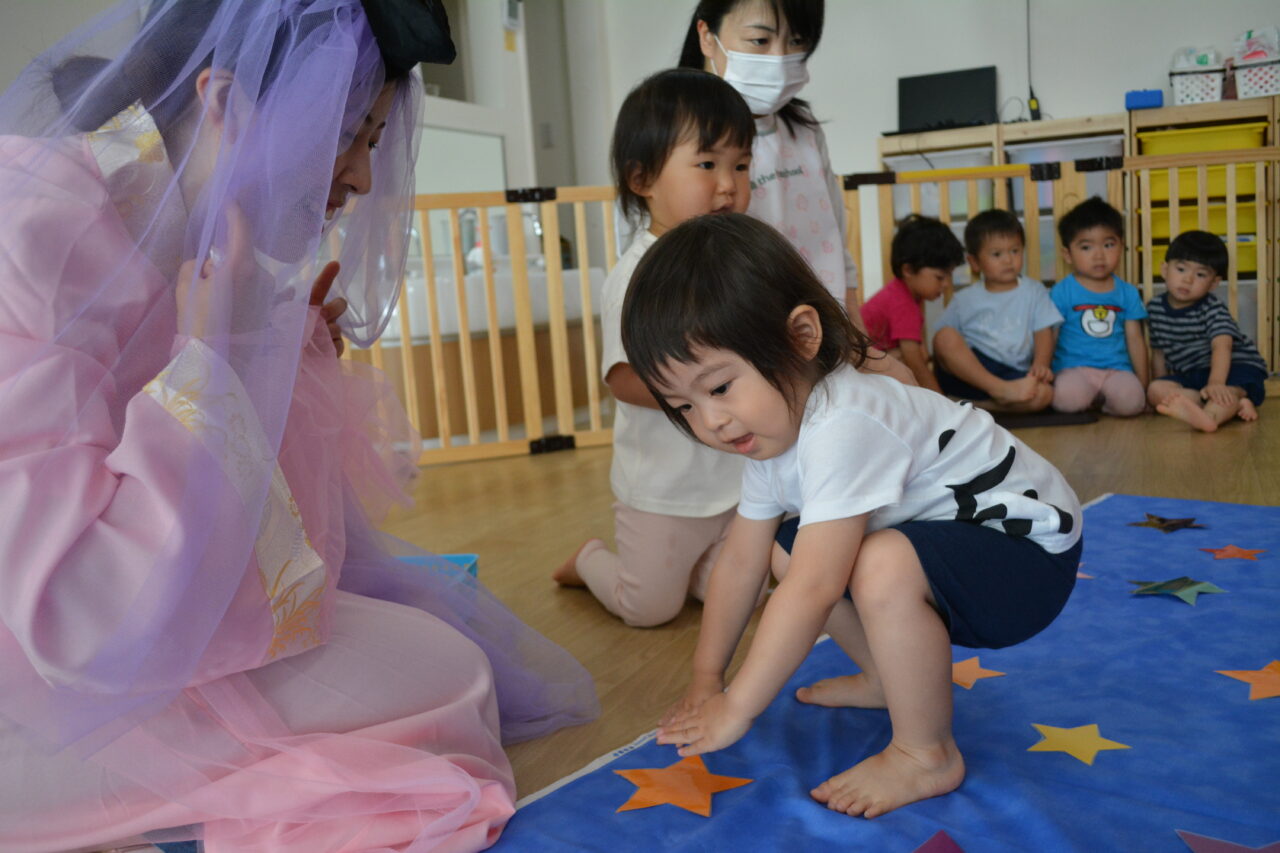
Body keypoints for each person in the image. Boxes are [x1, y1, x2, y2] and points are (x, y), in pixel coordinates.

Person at [0, 2, 596, 851]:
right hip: (49, 676)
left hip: (143, 622)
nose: (361, 177)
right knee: (450, 684)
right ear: (221, 101)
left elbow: (267, 535)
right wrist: (218, 359)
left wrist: (269, 352)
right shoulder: (34, 232)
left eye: (372, 142)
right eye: (349, 136)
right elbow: (81, 614)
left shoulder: (177, 215)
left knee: (452, 667)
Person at [621, 213, 1082, 818]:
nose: (711, 422)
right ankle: (888, 679)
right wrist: (709, 679)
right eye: (683, 406)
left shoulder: (845, 419)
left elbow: (815, 589)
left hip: (1029, 559)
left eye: (721, 387)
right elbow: (740, 562)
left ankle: (926, 753)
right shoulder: (771, 435)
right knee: (786, 546)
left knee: (874, 565)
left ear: (801, 337)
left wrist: (737, 708)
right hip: (971, 543)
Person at [551, 68, 759, 627]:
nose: (728, 184)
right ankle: (589, 559)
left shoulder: (733, 264)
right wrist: (709, 395)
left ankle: (694, 571)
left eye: (741, 165)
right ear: (642, 178)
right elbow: (622, 379)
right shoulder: (637, 275)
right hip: (665, 488)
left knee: (741, 593)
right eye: (707, 164)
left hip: (734, 481)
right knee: (647, 609)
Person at [679, 0, 859, 317]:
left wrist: (853, 321)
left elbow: (836, 242)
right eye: (760, 40)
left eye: (797, 41)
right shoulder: (678, 132)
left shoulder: (803, 128)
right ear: (707, 36)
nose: (779, 58)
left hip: (820, 322)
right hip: (740, 327)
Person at [932, 209, 1062, 412]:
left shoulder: (1034, 291)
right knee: (944, 336)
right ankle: (999, 391)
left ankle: (978, 407)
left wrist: (1041, 364)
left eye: (1015, 251)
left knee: (1046, 394)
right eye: (997, 254)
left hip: (1015, 374)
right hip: (974, 373)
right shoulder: (964, 299)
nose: (1008, 260)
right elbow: (942, 347)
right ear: (975, 262)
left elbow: (1043, 332)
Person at [1146, 230, 1267, 432]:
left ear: (1213, 283)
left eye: (1200, 274)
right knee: (1155, 390)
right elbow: (1159, 353)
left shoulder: (1212, 308)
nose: (1188, 279)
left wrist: (1216, 383)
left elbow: (1223, 346)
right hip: (1193, 375)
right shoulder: (1154, 308)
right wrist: (1162, 382)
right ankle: (1226, 406)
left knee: (1225, 392)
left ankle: (1212, 416)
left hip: (1234, 367)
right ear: (1165, 270)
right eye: (1181, 269)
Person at [1048, 197, 1148, 417]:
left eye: (1108, 245)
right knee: (1067, 400)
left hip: (1116, 370)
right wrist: (1044, 373)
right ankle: (1091, 398)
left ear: (1121, 246)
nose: (1099, 255)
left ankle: (1103, 401)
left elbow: (1135, 339)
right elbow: (1050, 336)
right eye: (1086, 247)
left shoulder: (1128, 292)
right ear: (1068, 254)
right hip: (1073, 369)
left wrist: (1143, 383)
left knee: (1132, 402)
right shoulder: (1061, 292)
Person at [860, 214, 964, 392]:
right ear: (908, 270)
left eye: (949, 276)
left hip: (866, 363)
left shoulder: (901, 293)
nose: (947, 284)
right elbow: (913, 360)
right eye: (940, 277)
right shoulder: (903, 303)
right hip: (859, 371)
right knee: (907, 356)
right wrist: (938, 399)